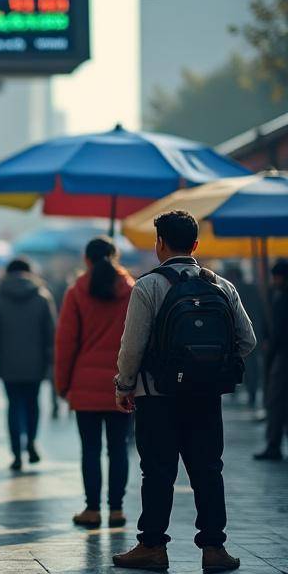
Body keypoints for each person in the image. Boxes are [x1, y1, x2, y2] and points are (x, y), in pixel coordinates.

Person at [112, 210, 256, 573]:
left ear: (159, 243)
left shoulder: (148, 286)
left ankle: (152, 547)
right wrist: (211, 369)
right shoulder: (222, 286)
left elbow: (132, 346)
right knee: (208, 470)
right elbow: (247, 340)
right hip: (206, 397)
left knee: (157, 472)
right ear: (195, 244)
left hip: (156, 396)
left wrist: (124, 385)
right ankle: (214, 549)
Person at [55, 238, 134, 529]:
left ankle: (92, 509)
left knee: (90, 449)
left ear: (86, 260)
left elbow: (65, 343)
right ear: (116, 257)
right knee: (118, 449)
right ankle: (117, 510)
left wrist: (62, 384)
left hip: (84, 384)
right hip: (121, 384)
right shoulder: (131, 291)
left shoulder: (76, 292)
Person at [0, 258, 56, 471]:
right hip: (35, 362)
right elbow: (51, 331)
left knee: (13, 406)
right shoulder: (42, 296)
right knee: (32, 404)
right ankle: (32, 442)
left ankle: (16, 453)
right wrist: (50, 357)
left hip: (8, 362)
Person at [254, 259, 288, 461]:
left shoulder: (281, 298)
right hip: (280, 355)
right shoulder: (277, 296)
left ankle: (273, 445)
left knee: (275, 401)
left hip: (282, 357)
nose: (275, 281)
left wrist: (270, 347)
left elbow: (279, 331)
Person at [224, 263, 267, 409]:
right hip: (255, 333)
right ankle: (251, 394)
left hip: (239, 335)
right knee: (252, 367)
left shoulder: (232, 290)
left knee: (243, 364)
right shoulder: (253, 289)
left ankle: (239, 391)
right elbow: (262, 311)